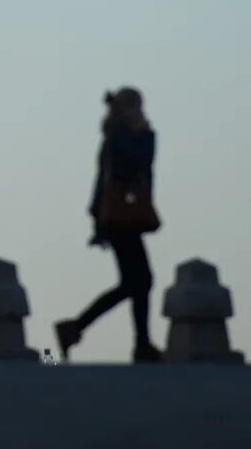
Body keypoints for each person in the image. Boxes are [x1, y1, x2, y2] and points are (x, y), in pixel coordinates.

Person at [55, 87, 162, 362]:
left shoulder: (114, 135)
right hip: (121, 219)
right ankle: (137, 343)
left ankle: (78, 329)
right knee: (139, 281)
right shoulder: (123, 136)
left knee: (136, 283)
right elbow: (142, 160)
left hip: (119, 219)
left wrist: (97, 221)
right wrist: (145, 133)